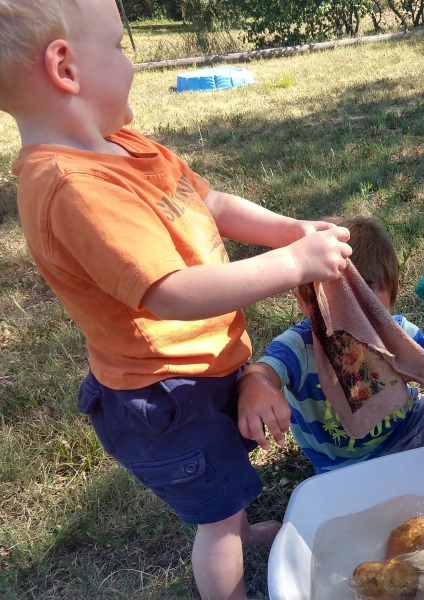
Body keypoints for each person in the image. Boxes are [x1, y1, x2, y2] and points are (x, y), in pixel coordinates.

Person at [1, 1, 352, 598]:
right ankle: (230, 576)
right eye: (116, 45)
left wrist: (289, 230)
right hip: (163, 396)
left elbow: (208, 205)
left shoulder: (123, 146)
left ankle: (241, 527)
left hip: (200, 371)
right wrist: (291, 265)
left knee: (226, 482)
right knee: (213, 516)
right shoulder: (75, 188)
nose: (129, 61)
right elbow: (168, 293)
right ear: (65, 68)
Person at [236, 216, 424, 473]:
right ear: (306, 302)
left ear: (390, 301)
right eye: (337, 303)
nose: (355, 320)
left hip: (409, 427)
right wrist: (256, 385)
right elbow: (265, 371)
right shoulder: (299, 346)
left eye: (368, 308)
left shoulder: (396, 332)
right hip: (345, 466)